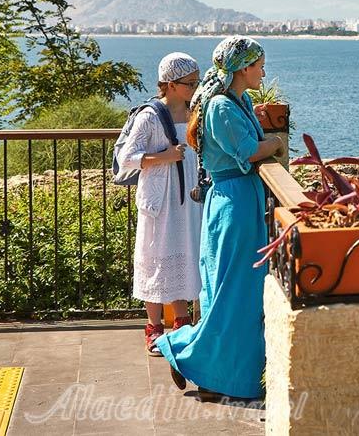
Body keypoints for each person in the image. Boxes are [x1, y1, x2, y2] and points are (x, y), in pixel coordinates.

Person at [157, 36, 285, 401]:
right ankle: (185, 352)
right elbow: (247, 150)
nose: (263, 71)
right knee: (233, 294)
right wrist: (275, 144)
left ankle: (220, 376)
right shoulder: (222, 108)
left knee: (238, 295)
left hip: (240, 202)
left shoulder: (238, 100)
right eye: (259, 64)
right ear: (243, 68)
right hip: (234, 205)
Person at [116, 52, 202, 355]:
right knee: (155, 259)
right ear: (171, 83)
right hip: (160, 199)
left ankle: (182, 323)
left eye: (196, 81)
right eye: (190, 82)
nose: (195, 86)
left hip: (188, 198)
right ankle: (154, 329)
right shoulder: (150, 116)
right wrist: (165, 156)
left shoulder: (194, 112)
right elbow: (127, 157)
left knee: (183, 256)